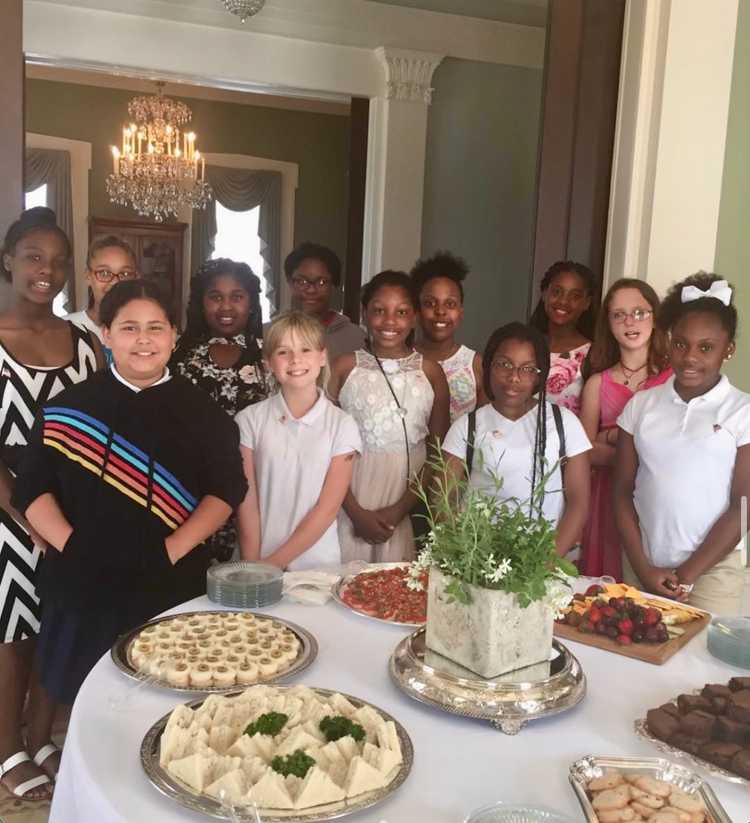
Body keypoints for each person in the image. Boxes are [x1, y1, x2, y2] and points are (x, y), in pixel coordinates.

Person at [11, 279, 248, 769]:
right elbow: (32, 488)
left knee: (168, 694)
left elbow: (227, 492)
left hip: (171, 573)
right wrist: (72, 547)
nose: (143, 339)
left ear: (175, 336)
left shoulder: (206, 414)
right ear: (105, 334)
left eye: (155, 328)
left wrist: (170, 550)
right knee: (87, 687)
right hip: (83, 569)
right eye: (129, 328)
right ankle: (87, 765)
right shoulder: (68, 409)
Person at [0, 208, 103, 800]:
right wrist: (24, 512)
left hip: (69, 512)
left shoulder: (85, 343)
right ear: (9, 259)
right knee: (14, 630)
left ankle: (40, 734)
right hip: (9, 511)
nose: (48, 270)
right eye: (35, 256)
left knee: (60, 621)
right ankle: (7, 747)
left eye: (60, 261)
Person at [613, 273, 750, 614]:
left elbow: (743, 505)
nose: (690, 357)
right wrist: (643, 569)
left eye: (706, 347)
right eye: (681, 343)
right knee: (634, 660)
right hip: (643, 566)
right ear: (670, 341)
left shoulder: (742, 411)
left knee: (702, 666)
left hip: (711, 575)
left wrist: (686, 576)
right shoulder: (641, 405)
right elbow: (621, 492)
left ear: (728, 349)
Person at [442, 323, 591, 557]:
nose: (514, 377)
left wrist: (547, 561)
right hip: (479, 560)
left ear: (539, 375)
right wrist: (467, 556)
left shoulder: (564, 424)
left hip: (543, 561)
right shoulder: (466, 427)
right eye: (504, 365)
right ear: (489, 366)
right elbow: (442, 500)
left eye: (527, 369)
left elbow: (578, 503)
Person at [330, 270, 450, 563]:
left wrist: (399, 511)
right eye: (379, 311)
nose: (390, 321)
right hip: (350, 493)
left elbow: (437, 451)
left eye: (402, 312)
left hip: (407, 495)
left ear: (414, 317)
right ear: (364, 314)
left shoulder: (430, 372)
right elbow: (324, 442)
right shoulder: (344, 366)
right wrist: (355, 512)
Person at [236, 311, 361, 570]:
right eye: (283, 352)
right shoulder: (249, 420)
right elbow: (247, 502)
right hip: (255, 560)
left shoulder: (342, 425)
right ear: (268, 361)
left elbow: (326, 509)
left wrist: (272, 565)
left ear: (322, 357)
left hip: (316, 568)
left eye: (305, 349)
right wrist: (253, 566)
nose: (296, 359)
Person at [171, 259, 268, 561]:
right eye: (215, 297)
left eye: (236, 297)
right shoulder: (180, 357)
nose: (226, 306)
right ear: (201, 303)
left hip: (256, 483)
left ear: (251, 303)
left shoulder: (268, 357)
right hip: (192, 484)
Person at [578, 279, 672, 579]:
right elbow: (585, 451)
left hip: (657, 494)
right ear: (608, 323)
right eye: (618, 314)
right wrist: (632, 445)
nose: (629, 321)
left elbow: (672, 447)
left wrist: (613, 438)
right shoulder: (597, 383)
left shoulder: (674, 379)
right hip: (606, 495)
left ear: (655, 317)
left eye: (639, 312)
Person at [411, 251, 488, 423]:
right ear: (417, 310)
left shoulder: (477, 366)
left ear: (461, 312)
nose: (440, 311)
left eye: (450, 304)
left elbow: (483, 431)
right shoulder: (401, 359)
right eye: (430, 303)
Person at [529, 260, 598, 416]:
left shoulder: (592, 355)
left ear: (586, 303)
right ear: (544, 293)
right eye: (557, 292)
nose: (563, 301)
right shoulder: (524, 344)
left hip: (564, 439)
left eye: (575, 296)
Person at [282, 242, 366, 363]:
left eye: (321, 282)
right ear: (290, 282)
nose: (311, 290)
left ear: (334, 286)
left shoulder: (356, 338)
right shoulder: (268, 334)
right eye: (302, 281)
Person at [64, 236, 139, 366]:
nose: (115, 282)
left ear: (136, 278)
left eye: (125, 274)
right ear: (88, 277)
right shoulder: (66, 328)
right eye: (104, 273)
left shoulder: (146, 330)